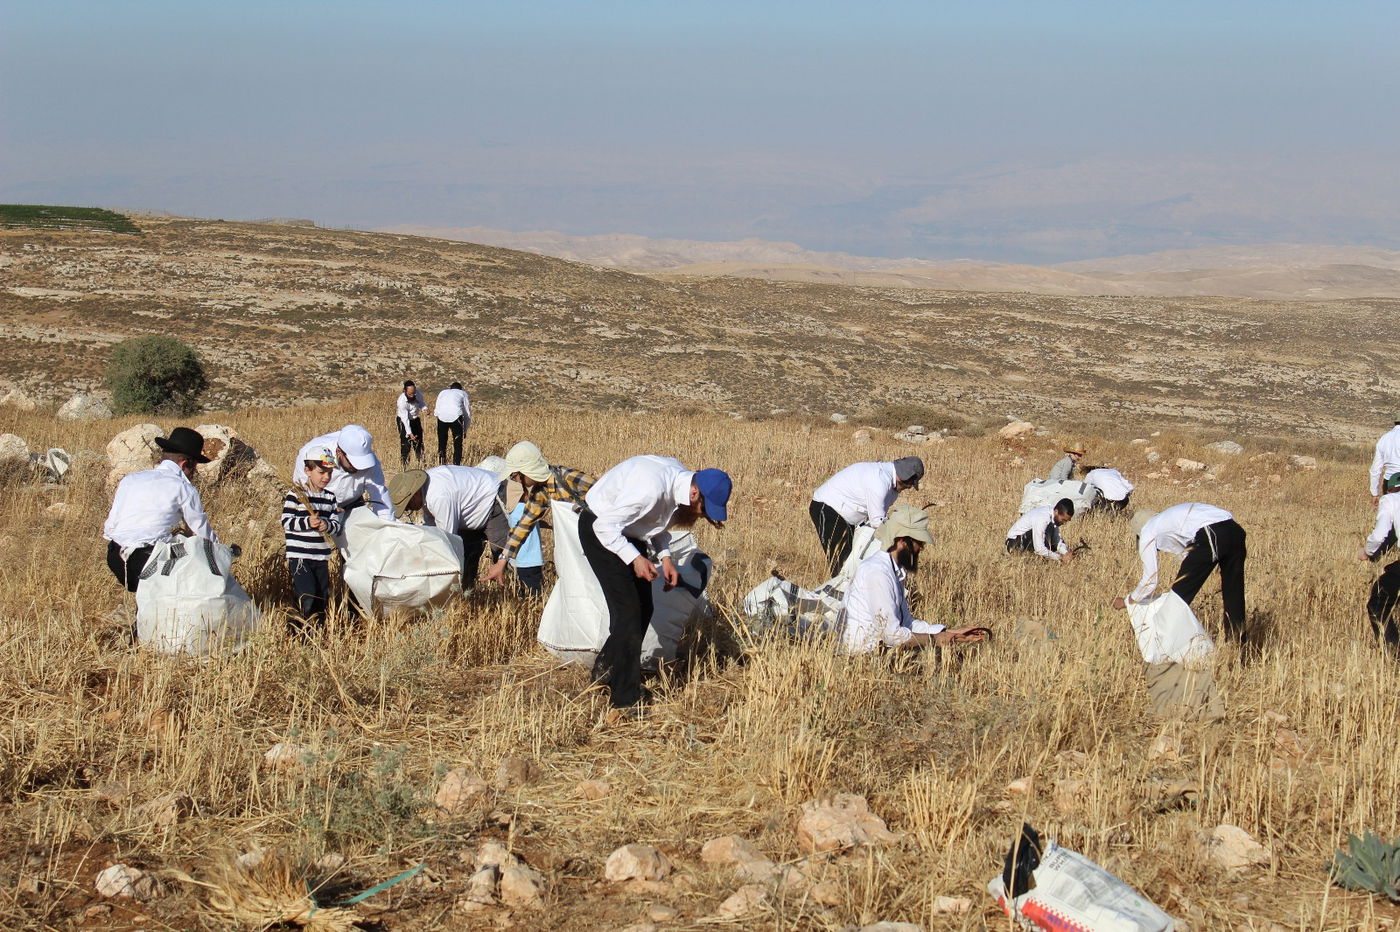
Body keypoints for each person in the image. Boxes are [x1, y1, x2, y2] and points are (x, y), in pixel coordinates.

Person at [582, 455, 731, 710]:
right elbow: (604, 526)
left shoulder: (679, 487)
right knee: (628, 612)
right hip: (601, 531)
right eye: (704, 511)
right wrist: (636, 558)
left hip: (628, 533)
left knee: (644, 609)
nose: (702, 517)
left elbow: (656, 522)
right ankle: (625, 699)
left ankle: (606, 670)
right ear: (695, 493)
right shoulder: (651, 489)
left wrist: (666, 557)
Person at [839, 505, 988, 653]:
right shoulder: (878, 573)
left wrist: (952, 633)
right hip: (864, 655)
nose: (922, 548)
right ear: (903, 541)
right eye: (919, 542)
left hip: (880, 648)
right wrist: (936, 639)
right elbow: (892, 636)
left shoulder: (893, 569)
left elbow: (906, 623)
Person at [103, 427, 218, 591]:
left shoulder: (130, 479)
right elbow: (202, 535)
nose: (194, 474)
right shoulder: (183, 487)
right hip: (148, 560)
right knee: (191, 551)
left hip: (114, 556)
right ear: (185, 464)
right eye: (194, 468)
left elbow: (110, 527)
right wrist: (223, 554)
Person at [1112, 503, 1247, 642]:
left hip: (1211, 531)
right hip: (1234, 529)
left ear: (1139, 533)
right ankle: (1237, 648)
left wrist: (1128, 601)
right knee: (1234, 595)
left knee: (1177, 601)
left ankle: (1169, 649)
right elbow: (1188, 557)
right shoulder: (1167, 520)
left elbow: (1150, 580)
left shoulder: (1147, 531)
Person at [483, 440, 595, 590]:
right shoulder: (539, 494)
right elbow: (522, 527)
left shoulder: (571, 478)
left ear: (526, 471)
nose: (516, 481)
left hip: (598, 544)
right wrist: (502, 560)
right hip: (574, 551)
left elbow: (609, 500)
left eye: (515, 476)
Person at [387, 465, 508, 582]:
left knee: (503, 556)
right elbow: (433, 532)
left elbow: (447, 540)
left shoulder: (439, 497)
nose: (409, 510)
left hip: (494, 499)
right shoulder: (427, 491)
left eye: (407, 506)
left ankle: (518, 593)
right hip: (471, 510)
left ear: (414, 495)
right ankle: (465, 595)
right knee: (465, 558)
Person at [810, 457, 924, 576]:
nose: (910, 487)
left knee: (853, 558)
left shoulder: (891, 486)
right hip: (828, 508)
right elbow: (878, 525)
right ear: (906, 476)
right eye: (911, 482)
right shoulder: (880, 482)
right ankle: (839, 592)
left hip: (846, 517)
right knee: (842, 560)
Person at [280, 446, 343, 632]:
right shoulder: (297, 495)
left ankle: (317, 632)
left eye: (330, 472)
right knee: (306, 594)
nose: (326, 477)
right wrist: (307, 521)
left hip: (320, 557)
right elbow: (286, 522)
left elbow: (336, 525)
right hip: (300, 556)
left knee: (321, 596)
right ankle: (296, 631)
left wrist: (326, 525)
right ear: (307, 470)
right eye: (321, 472)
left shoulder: (330, 498)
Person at [293, 425, 394, 519]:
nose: (357, 468)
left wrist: (387, 526)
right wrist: (326, 511)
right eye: (352, 462)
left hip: (353, 503)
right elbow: (301, 491)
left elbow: (380, 498)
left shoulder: (372, 463)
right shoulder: (310, 454)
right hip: (317, 506)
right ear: (339, 452)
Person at [1360, 472, 1400, 648]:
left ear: (1389, 489)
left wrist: (1368, 552)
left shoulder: (1390, 500)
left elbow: (1380, 535)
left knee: (1378, 602)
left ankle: (1393, 655)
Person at [1005, 499, 1075, 561]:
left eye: (1067, 521)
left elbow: (1056, 540)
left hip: (1029, 538)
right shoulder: (1043, 518)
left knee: (1051, 542)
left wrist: (1066, 552)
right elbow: (1039, 549)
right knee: (1046, 543)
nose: (1064, 523)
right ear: (1056, 512)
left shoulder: (1053, 516)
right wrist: (1061, 558)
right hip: (1015, 542)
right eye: (1063, 520)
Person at [434, 381, 471, 466]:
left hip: (441, 417)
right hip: (456, 416)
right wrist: (464, 431)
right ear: (460, 389)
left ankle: (441, 463)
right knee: (457, 443)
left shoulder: (443, 392)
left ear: (450, 388)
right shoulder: (462, 393)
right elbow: (467, 414)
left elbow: (436, 409)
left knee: (442, 442)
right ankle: (456, 465)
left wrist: (439, 416)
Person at [395, 380, 427, 468]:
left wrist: (424, 408)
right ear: (404, 391)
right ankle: (404, 466)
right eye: (410, 394)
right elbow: (405, 419)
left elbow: (421, 403)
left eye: (413, 393)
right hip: (404, 421)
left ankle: (422, 464)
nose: (412, 395)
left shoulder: (417, 393)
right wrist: (409, 433)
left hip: (415, 419)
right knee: (406, 444)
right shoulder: (401, 402)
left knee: (418, 442)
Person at [1372, 414, 1400, 505]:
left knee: (1390, 516)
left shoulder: (1384, 438)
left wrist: (1374, 493)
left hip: (1390, 483)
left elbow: (1375, 469)